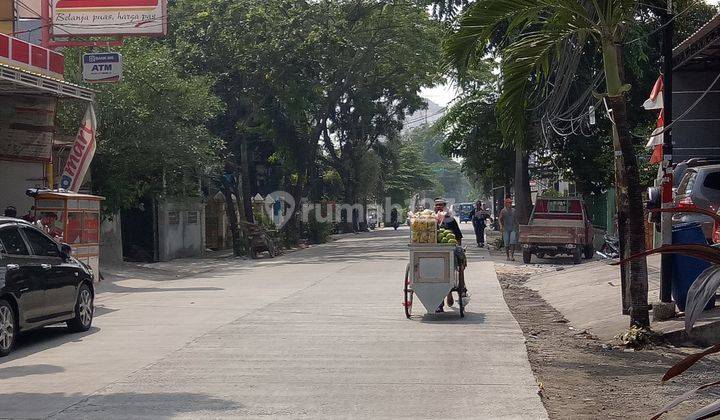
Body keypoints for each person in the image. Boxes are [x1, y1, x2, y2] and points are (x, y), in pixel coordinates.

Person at [433, 198, 468, 313]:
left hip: (450, 251)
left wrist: (457, 248)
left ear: (444, 207)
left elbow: (458, 237)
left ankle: (462, 288)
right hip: (433, 252)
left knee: (460, 263)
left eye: (441, 205)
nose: (438, 207)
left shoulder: (451, 220)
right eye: (437, 205)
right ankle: (439, 302)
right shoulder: (429, 220)